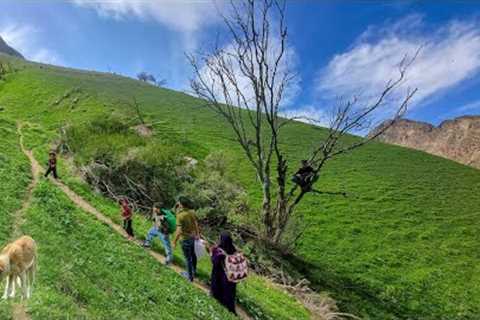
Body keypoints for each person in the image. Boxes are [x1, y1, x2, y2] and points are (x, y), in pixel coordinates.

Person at [172, 196, 200, 282]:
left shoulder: (180, 216)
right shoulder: (192, 212)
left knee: (188, 258)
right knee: (193, 255)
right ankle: (193, 272)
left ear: (181, 204)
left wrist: (174, 241)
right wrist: (197, 234)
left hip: (185, 239)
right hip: (193, 237)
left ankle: (189, 277)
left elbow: (179, 230)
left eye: (179, 203)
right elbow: (195, 224)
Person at [210, 232, 238, 314]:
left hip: (219, 274)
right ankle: (230, 308)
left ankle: (218, 300)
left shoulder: (219, 250)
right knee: (229, 292)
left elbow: (214, 261)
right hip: (230, 276)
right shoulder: (233, 249)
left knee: (217, 287)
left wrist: (212, 253)